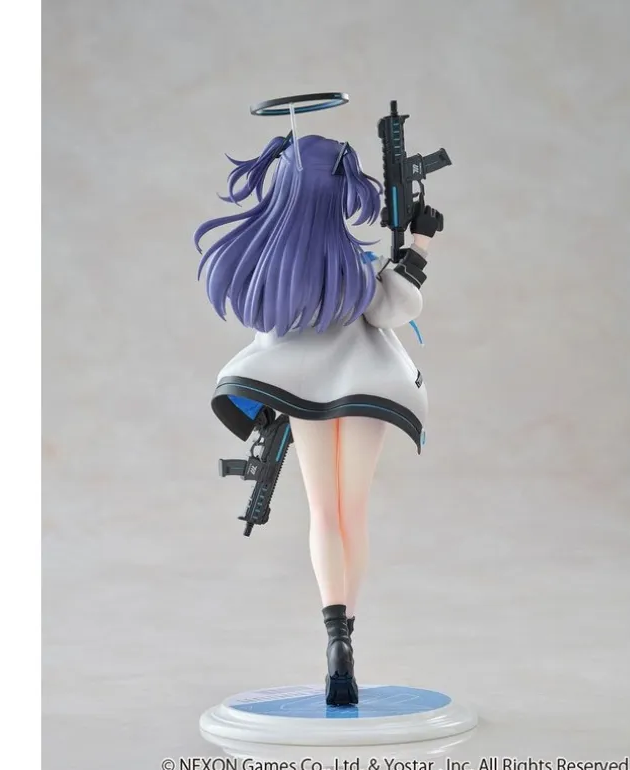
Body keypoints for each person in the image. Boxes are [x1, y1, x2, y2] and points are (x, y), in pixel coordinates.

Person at [195, 133, 444, 705]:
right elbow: (392, 309)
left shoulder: (272, 269)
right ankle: (348, 636)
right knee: (352, 512)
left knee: (324, 512)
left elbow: (271, 335)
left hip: (304, 395)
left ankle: (335, 639)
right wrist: (418, 248)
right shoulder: (352, 264)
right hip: (364, 392)